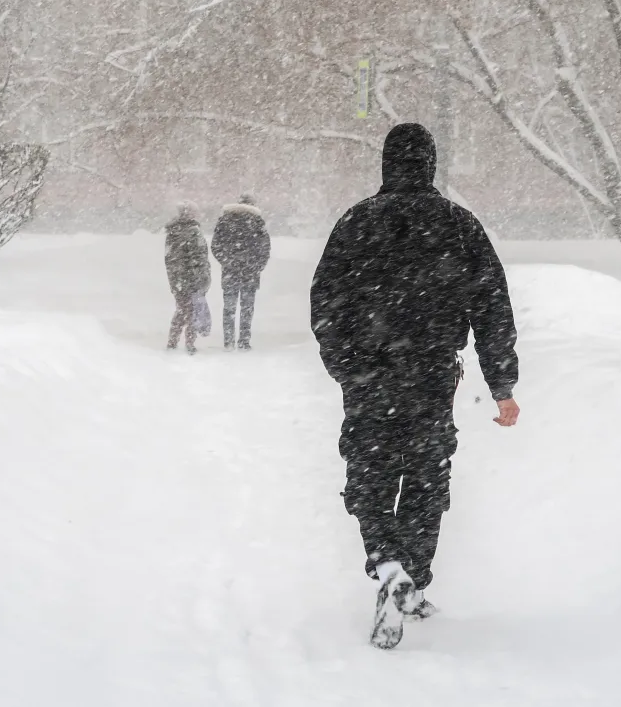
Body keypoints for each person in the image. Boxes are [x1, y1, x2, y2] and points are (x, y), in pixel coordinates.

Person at [310, 122, 519, 650]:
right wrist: (502, 384)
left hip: (369, 374)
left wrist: (346, 365)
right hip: (430, 373)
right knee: (426, 476)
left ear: (385, 164)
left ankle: (385, 564)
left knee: (372, 469)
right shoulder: (457, 225)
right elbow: (492, 304)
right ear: (430, 164)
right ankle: (413, 578)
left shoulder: (356, 223)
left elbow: (326, 301)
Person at [211, 194, 271, 351]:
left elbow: (216, 246)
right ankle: (244, 342)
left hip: (230, 273)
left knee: (229, 309)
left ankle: (228, 341)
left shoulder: (225, 220)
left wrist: (228, 262)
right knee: (247, 309)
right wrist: (256, 266)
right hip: (250, 274)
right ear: (252, 204)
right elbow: (265, 248)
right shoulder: (257, 222)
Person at [164, 202, 211, 354]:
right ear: (191, 214)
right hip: (192, 279)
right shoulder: (193, 232)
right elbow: (200, 258)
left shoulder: (172, 232)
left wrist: (176, 276)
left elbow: (169, 258)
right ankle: (189, 343)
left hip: (177, 279)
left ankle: (173, 340)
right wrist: (203, 279)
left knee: (181, 310)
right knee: (191, 312)